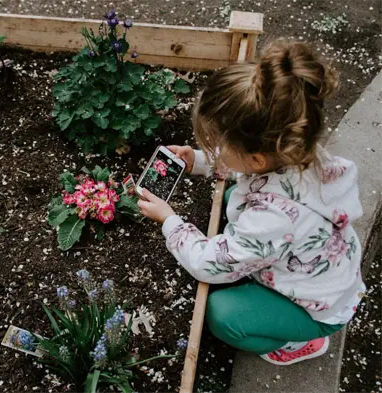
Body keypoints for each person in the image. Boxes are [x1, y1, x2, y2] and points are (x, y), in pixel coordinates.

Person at [138, 39, 366, 365]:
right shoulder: (300, 152)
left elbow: (209, 264)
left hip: (316, 306)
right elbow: (248, 169)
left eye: (217, 143)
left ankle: (300, 342)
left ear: (257, 158)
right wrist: (199, 161)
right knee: (234, 196)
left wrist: (170, 221)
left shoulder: (272, 220)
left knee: (222, 314)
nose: (213, 147)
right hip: (324, 267)